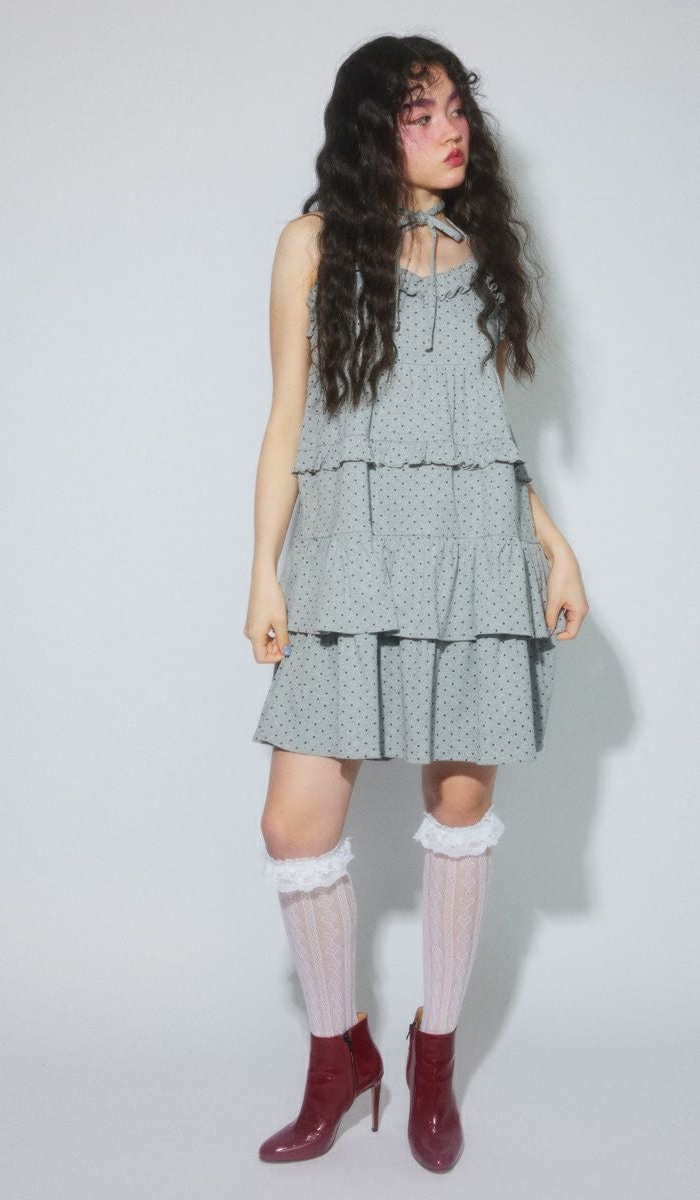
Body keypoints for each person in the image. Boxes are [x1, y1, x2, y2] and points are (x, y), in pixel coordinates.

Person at [244, 34, 588, 1172]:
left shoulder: (478, 251)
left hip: (472, 558)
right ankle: (338, 1056)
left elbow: (484, 434)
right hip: (348, 552)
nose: (452, 130)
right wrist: (264, 569)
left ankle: (432, 1058)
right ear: (369, 131)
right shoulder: (310, 246)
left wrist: (553, 547)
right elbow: (287, 420)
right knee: (295, 825)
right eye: (420, 112)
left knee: (458, 812)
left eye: (457, 108)